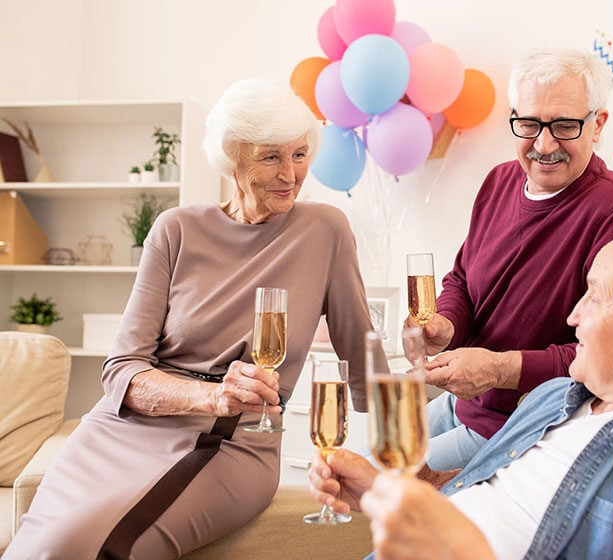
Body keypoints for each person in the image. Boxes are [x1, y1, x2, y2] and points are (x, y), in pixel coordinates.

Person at [5, 78, 379, 559]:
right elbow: (122, 370)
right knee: (35, 544)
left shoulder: (324, 229)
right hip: (119, 429)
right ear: (232, 157)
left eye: (300, 155)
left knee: (93, 546)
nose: (291, 173)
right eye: (271, 157)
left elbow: (362, 356)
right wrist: (211, 393)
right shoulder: (175, 229)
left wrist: (413, 415)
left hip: (229, 438)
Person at [310, 231, 613, 559]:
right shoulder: (554, 397)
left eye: (595, 297)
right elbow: (488, 490)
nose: (573, 315)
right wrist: (399, 487)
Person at [410, 47, 613, 470]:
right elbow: (463, 281)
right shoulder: (500, 181)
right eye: (529, 124)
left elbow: (610, 355)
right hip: (464, 401)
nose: (544, 144)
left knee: (372, 488)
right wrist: (444, 326)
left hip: (524, 426)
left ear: (597, 125)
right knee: (358, 458)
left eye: (564, 125)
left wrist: (501, 370)